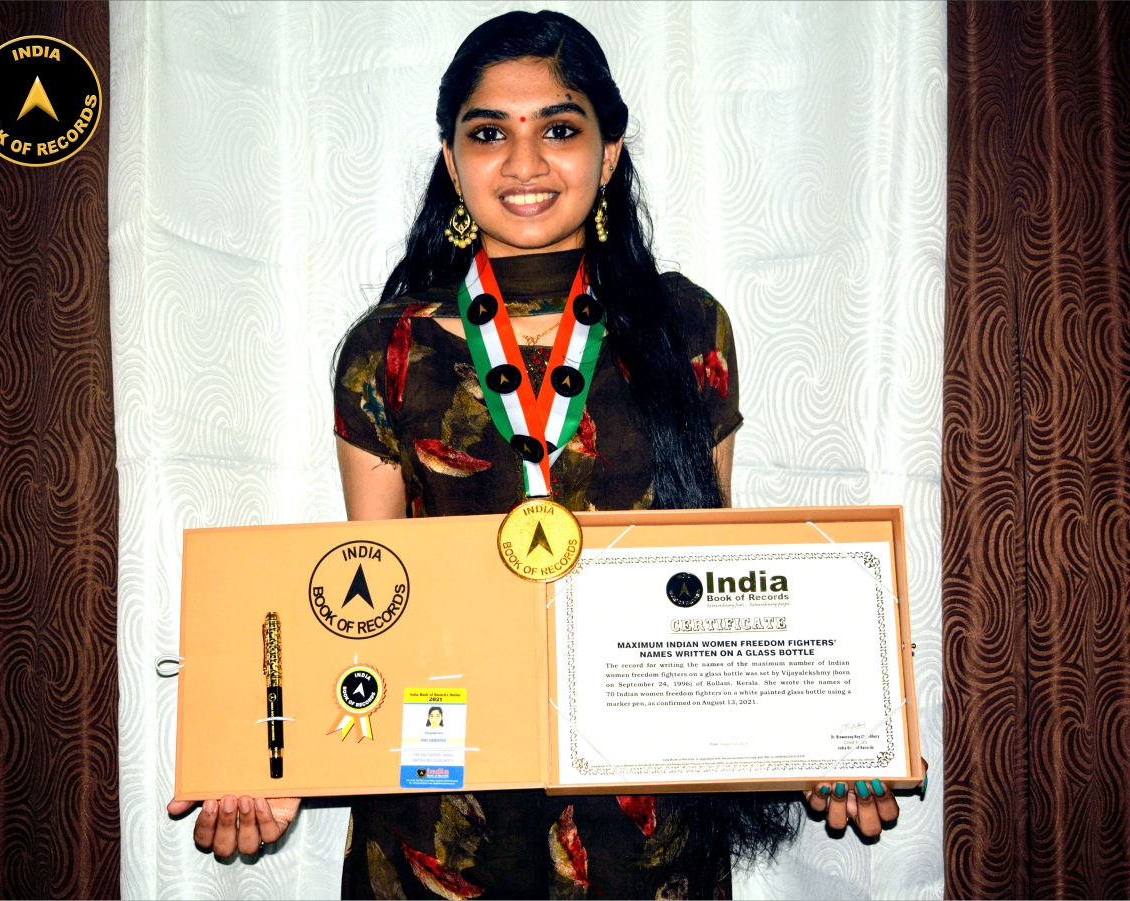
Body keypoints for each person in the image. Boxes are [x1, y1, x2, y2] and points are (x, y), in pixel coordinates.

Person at [168, 10, 903, 897]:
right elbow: (365, 591)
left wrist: (837, 732)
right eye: (489, 133)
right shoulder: (388, 348)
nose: (523, 164)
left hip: (647, 826)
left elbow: (722, 576)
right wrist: (270, 752)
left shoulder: (685, 328)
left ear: (610, 153)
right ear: (452, 162)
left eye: (559, 128)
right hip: (443, 821)